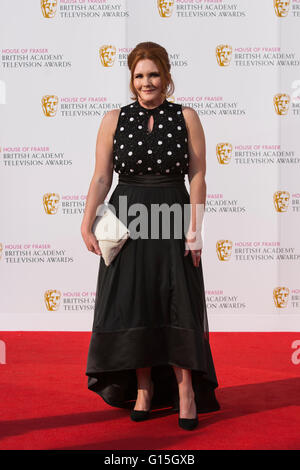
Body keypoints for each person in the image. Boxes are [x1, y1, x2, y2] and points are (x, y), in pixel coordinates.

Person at [81, 41, 220, 431]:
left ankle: (186, 390)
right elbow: (102, 176)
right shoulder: (114, 119)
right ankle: (142, 388)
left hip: (173, 216)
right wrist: (85, 220)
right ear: (131, 79)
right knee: (135, 302)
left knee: (178, 303)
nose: (147, 82)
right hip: (127, 221)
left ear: (167, 76)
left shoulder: (186, 116)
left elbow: (197, 176)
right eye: (139, 76)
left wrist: (196, 228)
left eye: (154, 74)